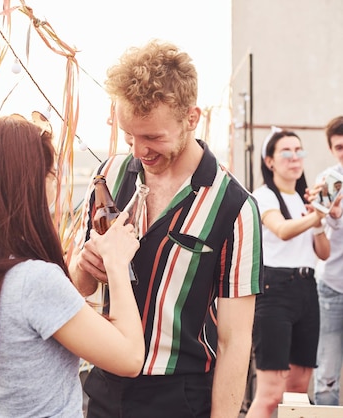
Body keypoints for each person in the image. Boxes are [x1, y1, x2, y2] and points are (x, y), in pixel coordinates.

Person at [69, 40, 263, 418]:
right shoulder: (107, 176)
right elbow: (78, 287)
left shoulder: (235, 207)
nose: (139, 151)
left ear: (193, 118)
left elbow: (235, 341)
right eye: (129, 137)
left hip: (181, 397)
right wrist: (83, 265)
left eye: (153, 137)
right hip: (104, 387)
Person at [0, 116, 145, 418]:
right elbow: (130, 358)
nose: (56, 180)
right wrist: (117, 263)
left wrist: (81, 272)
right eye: (51, 172)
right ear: (29, 182)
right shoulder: (34, 280)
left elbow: (26, 325)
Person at [246, 129, 339, 417]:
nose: (294, 158)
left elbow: (323, 252)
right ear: (270, 161)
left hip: (307, 289)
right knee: (271, 393)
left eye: (299, 151)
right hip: (275, 292)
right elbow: (283, 230)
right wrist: (320, 213)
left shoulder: (306, 199)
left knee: (299, 391)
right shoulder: (263, 196)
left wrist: (317, 221)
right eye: (286, 152)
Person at [314, 116, 343, 406]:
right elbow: (318, 234)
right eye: (339, 147)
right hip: (333, 288)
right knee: (327, 376)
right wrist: (328, 216)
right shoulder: (328, 181)